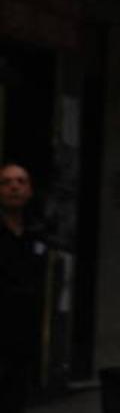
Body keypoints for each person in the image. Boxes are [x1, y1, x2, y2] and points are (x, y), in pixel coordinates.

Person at [0, 162, 46, 413]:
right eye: (6, 182)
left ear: (29, 191)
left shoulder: (36, 233)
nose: (14, 187)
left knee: (16, 395)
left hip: (23, 333)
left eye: (20, 182)